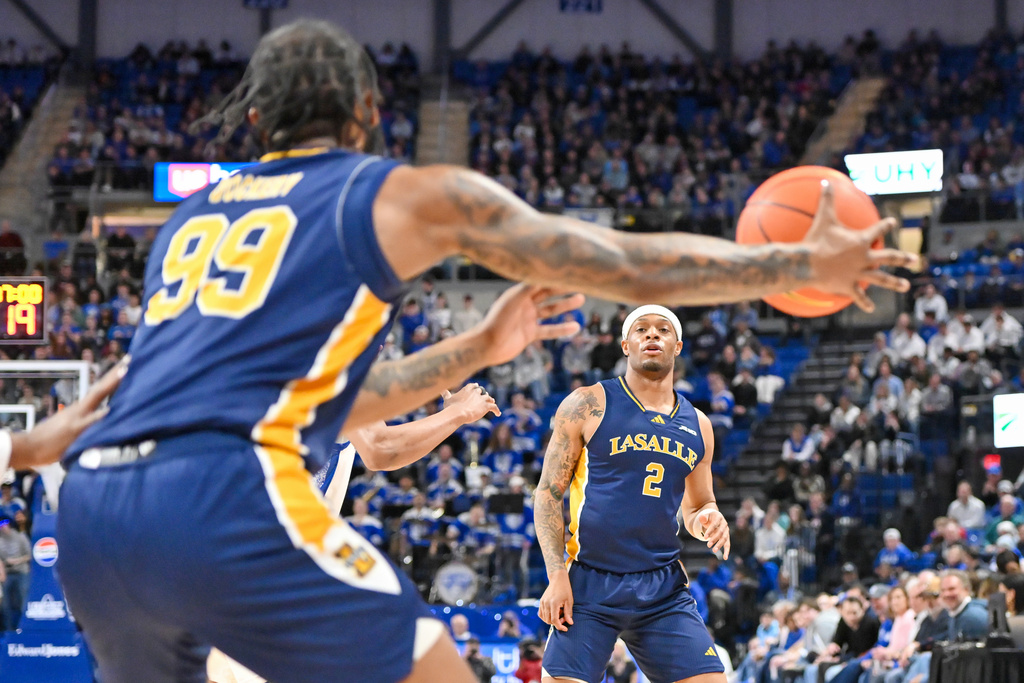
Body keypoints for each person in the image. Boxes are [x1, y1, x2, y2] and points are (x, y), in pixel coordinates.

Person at [56, 19, 916, 683]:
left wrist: (479, 345)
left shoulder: (188, 222)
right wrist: (798, 262)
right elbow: (622, 261)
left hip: (95, 511)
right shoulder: (387, 191)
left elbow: (327, 401)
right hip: (220, 499)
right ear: (368, 114)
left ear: (253, 120)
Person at [534, 306, 731, 683]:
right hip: (589, 580)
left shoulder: (699, 425)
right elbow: (547, 494)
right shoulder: (587, 403)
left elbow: (699, 505)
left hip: (661, 588)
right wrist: (556, 575)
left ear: (678, 346)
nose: (652, 335)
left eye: (662, 330)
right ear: (626, 345)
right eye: (641, 330)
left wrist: (708, 517)